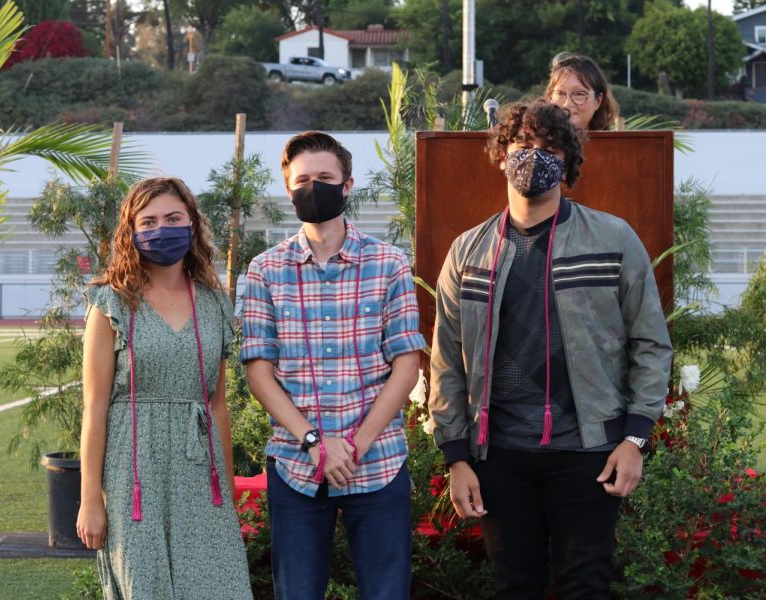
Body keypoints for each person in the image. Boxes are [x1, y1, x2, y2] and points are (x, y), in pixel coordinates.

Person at [428, 100, 672, 599]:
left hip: (589, 450)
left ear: (567, 161)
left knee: (586, 584)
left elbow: (650, 342)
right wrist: (456, 457)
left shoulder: (613, 239)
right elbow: (446, 361)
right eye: (522, 145)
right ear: (501, 154)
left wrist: (635, 438)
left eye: (549, 147)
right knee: (513, 585)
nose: (534, 156)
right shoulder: (467, 252)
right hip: (499, 453)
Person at [241, 131, 424, 600]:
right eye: (303, 179)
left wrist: (354, 447)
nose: (313, 186)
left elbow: (406, 365)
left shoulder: (389, 263)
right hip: (296, 466)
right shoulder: (265, 270)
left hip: (378, 462)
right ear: (288, 188)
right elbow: (259, 372)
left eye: (325, 177)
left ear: (347, 185)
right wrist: (313, 442)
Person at [76, 177, 252, 600]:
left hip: (199, 471)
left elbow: (217, 404)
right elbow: (95, 406)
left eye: (173, 218)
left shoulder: (213, 303)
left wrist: (226, 493)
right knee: (146, 586)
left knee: (219, 585)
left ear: (191, 224)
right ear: (131, 232)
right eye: (149, 221)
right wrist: (89, 499)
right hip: (133, 470)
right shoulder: (111, 303)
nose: (162, 228)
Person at [546, 51, 620, 131]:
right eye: (560, 93)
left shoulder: (615, 143)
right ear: (550, 97)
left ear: (598, 101)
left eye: (578, 94)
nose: (567, 104)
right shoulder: (534, 141)